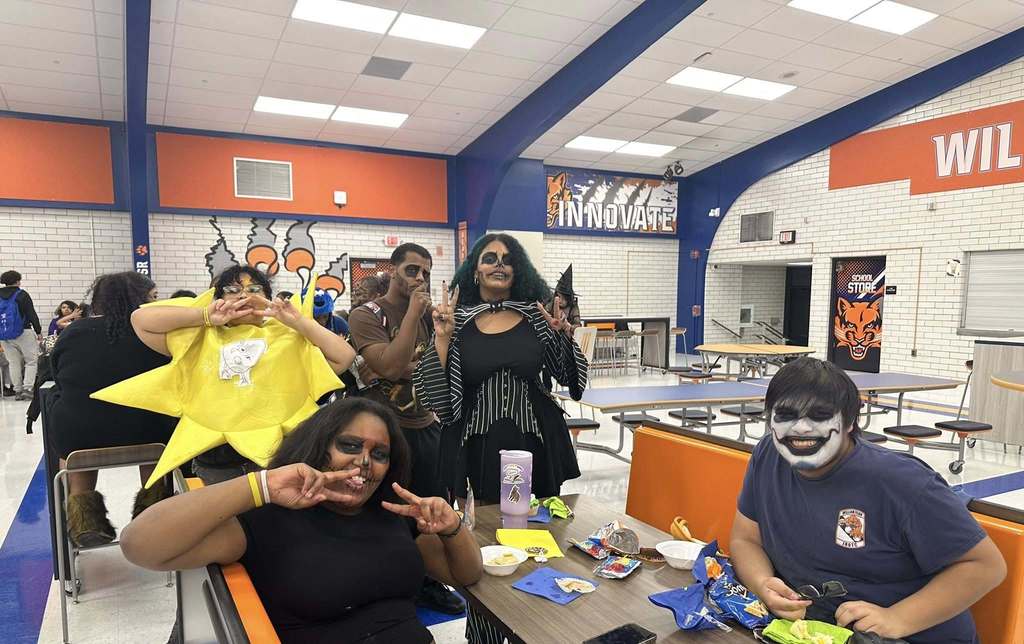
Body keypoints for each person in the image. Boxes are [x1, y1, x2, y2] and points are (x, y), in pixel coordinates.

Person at [120, 397, 482, 644]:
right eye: (350, 445)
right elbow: (140, 544)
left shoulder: (392, 515)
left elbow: (466, 574)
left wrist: (452, 527)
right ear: (319, 447)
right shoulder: (266, 522)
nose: (364, 462)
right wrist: (261, 485)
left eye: (380, 454)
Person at [729, 358, 1006, 643]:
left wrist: (897, 618)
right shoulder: (767, 456)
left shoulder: (902, 482)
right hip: (818, 630)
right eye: (786, 415)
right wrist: (763, 584)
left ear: (850, 422)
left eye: (820, 416)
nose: (801, 428)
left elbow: (986, 566)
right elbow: (746, 539)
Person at [101, 266, 356, 486]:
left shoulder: (289, 337)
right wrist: (205, 316)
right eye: (232, 290)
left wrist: (298, 322)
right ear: (218, 298)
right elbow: (140, 320)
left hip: (281, 457)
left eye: (255, 290)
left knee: (276, 523)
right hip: (217, 461)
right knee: (225, 523)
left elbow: (343, 356)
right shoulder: (199, 337)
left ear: (269, 298)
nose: (244, 296)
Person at [415, 233, 588, 502]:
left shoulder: (537, 316)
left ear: (518, 271)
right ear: (475, 270)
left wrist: (563, 336)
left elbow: (569, 378)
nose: (499, 264)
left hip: (535, 436)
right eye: (490, 259)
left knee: (536, 518)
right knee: (477, 519)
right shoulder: (455, 321)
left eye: (508, 260)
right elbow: (433, 394)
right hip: (472, 440)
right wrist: (442, 338)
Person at [348, 243, 463, 614]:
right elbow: (391, 366)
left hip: (426, 424)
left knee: (429, 508)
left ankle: (427, 580)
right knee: (386, 510)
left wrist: (442, 336)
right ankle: (388, 585)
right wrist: (414, 314)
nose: (420, 278)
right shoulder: (367, 314)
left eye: (426, 272)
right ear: (393, 269)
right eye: (412, 270)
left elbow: (443, 367)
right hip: (385, 430)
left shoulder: (431, 315)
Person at [49, 272, 175, 546]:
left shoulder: (73, 331)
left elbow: (58, 375)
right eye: (153, 297)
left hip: (79, 436)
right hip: (149, 433)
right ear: (138, 299)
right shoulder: (155, 333)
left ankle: (85, 520)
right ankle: (153, 511)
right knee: (155, 424)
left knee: (80, 423)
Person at [0, 270, 42, 400]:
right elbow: (31, 313)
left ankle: (17, 391)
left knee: (13, 363)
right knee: (31, 361)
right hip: (23, 332)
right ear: (18, 281)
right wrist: (38, 330)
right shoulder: (22, 294)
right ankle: (27, 389)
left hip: (4, 335)